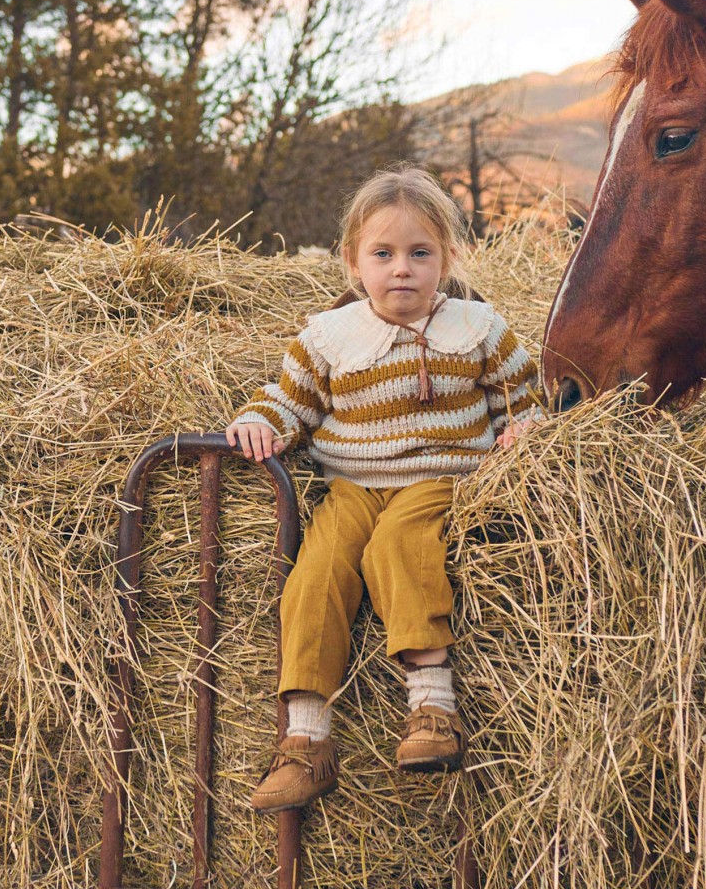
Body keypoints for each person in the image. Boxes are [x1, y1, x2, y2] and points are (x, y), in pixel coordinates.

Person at [225, 165, 542, 813]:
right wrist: (261, 421)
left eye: (420, 253)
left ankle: (433, 708)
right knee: (315, 573)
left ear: (447, 259)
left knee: (398, 546)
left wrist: (528, 430)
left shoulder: (478, 329)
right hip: (353, 487)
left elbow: (524, 397)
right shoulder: (330, 336)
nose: (403, 269)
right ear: (353, 262)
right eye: (384, 253)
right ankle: (306, 741)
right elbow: (290, 400)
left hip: (437, 478)